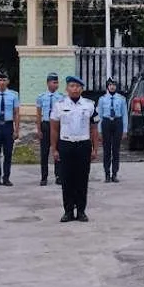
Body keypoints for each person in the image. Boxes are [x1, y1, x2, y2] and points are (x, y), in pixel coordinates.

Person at [50, 75, 99, 223]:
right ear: (67, 88)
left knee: (82, 179)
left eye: (78, 86)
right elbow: (54, 129)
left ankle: (81, 211)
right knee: (67, 179)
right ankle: (68, 211)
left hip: (83, 145)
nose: (75, 89)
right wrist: (54, 149)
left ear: (82, 88)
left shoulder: (90, 105)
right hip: (66, 145)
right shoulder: (59, 105)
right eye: (72, 86)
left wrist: (95, 149)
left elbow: (94, 129)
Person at [35, 74, 64, 186]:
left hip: (57, 126)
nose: (55, 84)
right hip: (46, 125)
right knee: (44, 152)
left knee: (58, 151)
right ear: (48, 83)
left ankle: (59, 176)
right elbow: (38, 114)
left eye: (57, 82)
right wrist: (39, 130)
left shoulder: (61, 97)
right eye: (53, 82)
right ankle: (44, 177)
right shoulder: (41, 97)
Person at [97, 78, 127, 183]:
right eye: (110, 85)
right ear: (107, 86)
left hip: (117, 123)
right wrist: (99, 131)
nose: (112, 87)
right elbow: (99, 116)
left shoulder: (121, 99)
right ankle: (107, 174)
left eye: (114, 85)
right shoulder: (102, 99)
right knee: (106, 150)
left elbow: (125, 115)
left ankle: (114, 174)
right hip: (106, 123)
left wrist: (125, 130)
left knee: (116, 150)